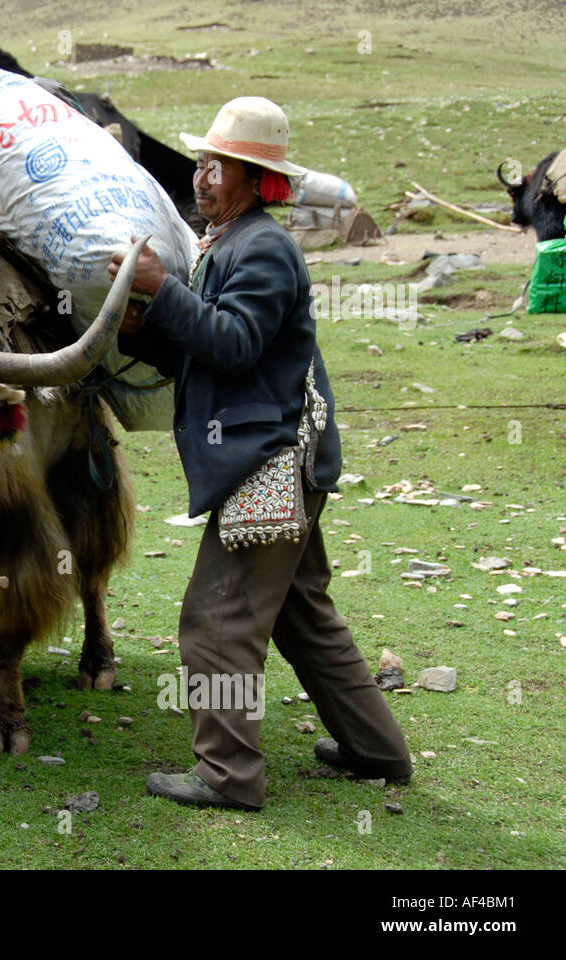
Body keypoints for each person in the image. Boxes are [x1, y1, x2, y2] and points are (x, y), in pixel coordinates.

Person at [108, 96, 412, 811]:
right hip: (275, 457)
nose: (203, 178)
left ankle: (228, 775)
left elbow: (235, 344)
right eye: (204, 164)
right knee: (303, 616)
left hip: (268, 463)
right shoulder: (232, 243)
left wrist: (161, 290)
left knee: (215, 622)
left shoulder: (264, 249)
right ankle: (377, 751)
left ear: (257, 181)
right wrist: (143, 320)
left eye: (220, 168)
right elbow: (206, 349)